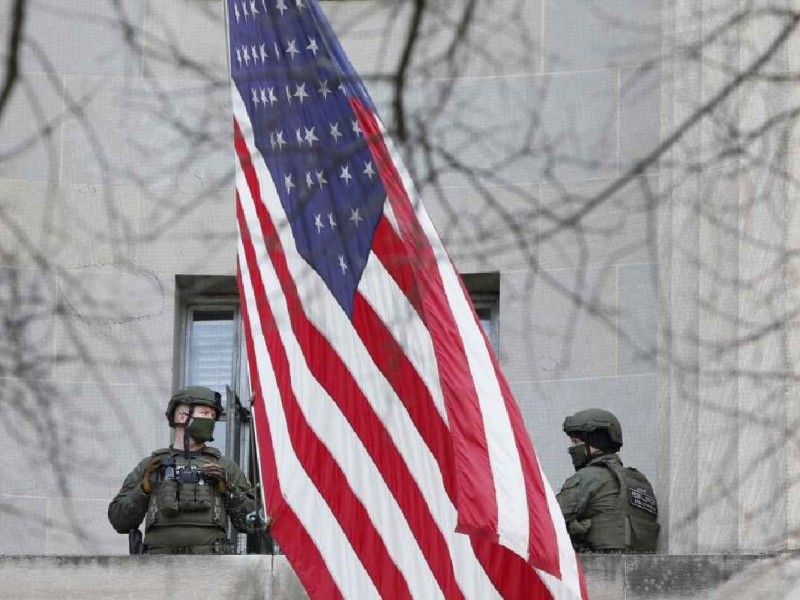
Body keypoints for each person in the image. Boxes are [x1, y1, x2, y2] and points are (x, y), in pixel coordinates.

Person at [108, 386, 266, 554]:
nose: (210, 420)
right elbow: (119, 521)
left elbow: (254, 523)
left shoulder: (224, 466)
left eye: (213, 416)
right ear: (181, 416)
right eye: (205, 414)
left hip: (211, 566)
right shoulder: (152, 465)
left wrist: (229, 490)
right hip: (157, 565)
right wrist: (144, 489)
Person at [556, 408, 659, 553]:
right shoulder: (639, 481)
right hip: (640, 570)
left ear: (595, 441)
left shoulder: (589, 476)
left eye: (576, 442)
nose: (572, 449)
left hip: (598, 567)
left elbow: (549, 520)